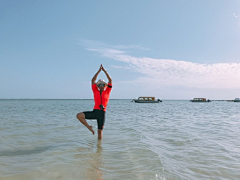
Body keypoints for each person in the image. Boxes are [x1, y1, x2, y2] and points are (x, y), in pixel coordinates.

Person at [76, 64, 112, 139]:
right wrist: (99, 71)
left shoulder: (107, 91)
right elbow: (93, 80)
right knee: (79, 115)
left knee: (100, 132)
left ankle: (99, 148)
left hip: (102, 113)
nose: (101, 86)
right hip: (95, 112)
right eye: (100, 85)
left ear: (105, 86)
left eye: (103, 84)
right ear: (98, 86)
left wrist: (104, 71)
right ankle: (89, 127)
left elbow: (110, 80)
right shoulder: (95, 91)